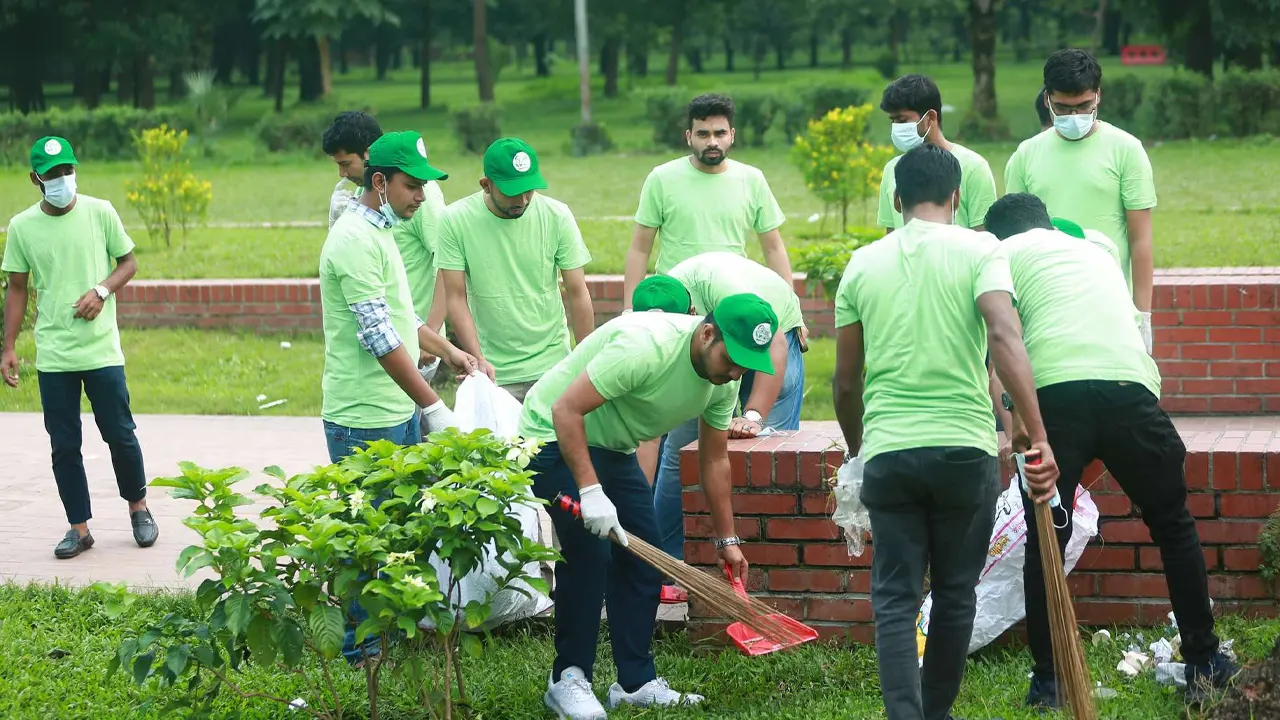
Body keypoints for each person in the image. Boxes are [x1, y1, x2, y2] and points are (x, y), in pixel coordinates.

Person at [830, 145, 1059, 720]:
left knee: (894, 598)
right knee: (957, 592)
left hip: (890, 451)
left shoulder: (862, 264)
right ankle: (937, 714)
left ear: (897, 199)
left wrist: (859, 453)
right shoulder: (981, 248)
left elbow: (845, 384)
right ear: (957, 198)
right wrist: (1037, 433)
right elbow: (1006, 339)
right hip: (965, 450)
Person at [983, 193, 1238, 708]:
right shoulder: (1094, 251)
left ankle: (1051, 682)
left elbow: (1001, 352)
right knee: (1173, 524)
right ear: (1048, 223)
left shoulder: (998, 258)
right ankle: (1204, 659)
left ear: (996, 235)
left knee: (1044, 540)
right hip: (1131, 389)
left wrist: (1013, 430)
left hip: (1055, 396)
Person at [517, 294, 776, 719]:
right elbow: (565, 409)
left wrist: (728, 540)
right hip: (549, 434)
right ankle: (568, 678)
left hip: (612, 445)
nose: (736, 372)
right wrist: (590, 490)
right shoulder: (645, 347)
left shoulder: (723, 381)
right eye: (732, 358)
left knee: (645, 557)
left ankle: (634, 683)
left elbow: (713, 459)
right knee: (590, 551)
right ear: (707, 332)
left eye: (746, 364)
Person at [319, 130, 478, 665]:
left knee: (400, 532)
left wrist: (450, 352)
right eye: (413, 186)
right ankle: (362, 652)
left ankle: (392, 638)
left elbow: (401, 320)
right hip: (363, 417)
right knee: (368, 540)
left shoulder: (383, 230)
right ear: (380, 182)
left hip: (396, 409)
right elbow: (378, 337)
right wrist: (432, 405)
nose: (422, 196)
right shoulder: (353, 240)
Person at [1, 136, 159, 560]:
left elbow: (128, 262)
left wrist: (101, 290)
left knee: (120, 435)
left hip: (102, 350)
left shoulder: (100, 212)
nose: (63, 179)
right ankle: (79, 527)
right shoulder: (22, 227)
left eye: (67, 170)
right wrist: (9, 346)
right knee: (64, 444)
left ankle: (138, 507)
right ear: (36, 178)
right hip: (55, 354)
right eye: (53, 174)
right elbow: (17, 287)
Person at [649, 252, 807, 566]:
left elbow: (773, 346)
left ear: (694, 314)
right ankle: (664, 559)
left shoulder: (730, 296)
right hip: (711, 341)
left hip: (777, 330)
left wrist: (753, 415)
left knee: (768, 448)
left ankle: (771, 562)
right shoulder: (658, 303)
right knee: (680, 451)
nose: (735, 374)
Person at [1005, 48, 1157, 354]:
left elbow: (1141, 239)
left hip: (1111, 304)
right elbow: (1013, 242)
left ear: (1098, 96)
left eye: (1083, 106)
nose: (1074, 116)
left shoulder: (1126, 150)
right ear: (1047, 99)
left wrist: (1143, 317)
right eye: (1062, 108)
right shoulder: (1026, 155)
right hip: (1044, 304)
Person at [438, 137, 595, 402]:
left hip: (553, 365)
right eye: (512, 191)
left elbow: (578, 292)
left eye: (529, 189)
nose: (522, 200)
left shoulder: (557, 215)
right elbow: (455, 297)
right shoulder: (455, 220)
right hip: (493, 371)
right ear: (486, 185)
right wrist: (477, 358)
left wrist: (586, 360)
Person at [623, 93, 792, 307]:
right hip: (675, 301)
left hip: (731, 299)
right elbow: (640, 248)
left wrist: (792, 309)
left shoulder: (752, 179)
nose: (712, 142)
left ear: (732, 135)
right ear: (689, 137)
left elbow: (773, 248)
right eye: (703, 134)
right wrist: (630, 309)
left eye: (719, 133)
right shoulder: (661, 179)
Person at [323, 111, 450, 387]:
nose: (343, 173)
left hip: (416, 340)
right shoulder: (365, 198)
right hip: (381, 339)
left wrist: (433, 333)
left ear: (368, 155)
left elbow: (448, 263)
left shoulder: (417, 198)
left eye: (346, 163)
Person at [876, 74, 998, 235]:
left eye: (902, 120)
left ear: (930, 117)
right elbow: (892, 237)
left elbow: (984, 238)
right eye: (893, 121)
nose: (896, 127)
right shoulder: (892, 169)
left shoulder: (973, 168)